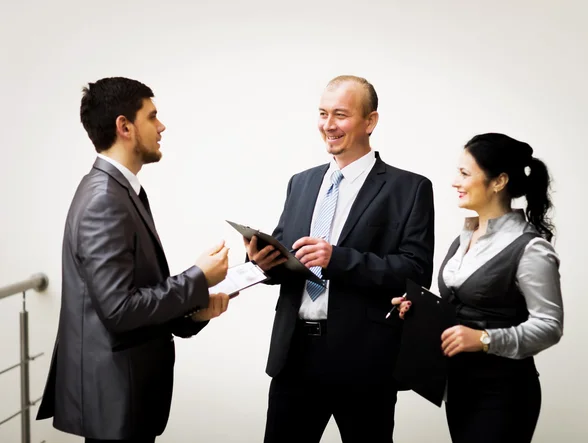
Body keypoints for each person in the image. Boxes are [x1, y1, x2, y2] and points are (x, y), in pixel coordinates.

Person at [36, 77, 231, 443]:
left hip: (124, 398)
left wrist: (194, 313)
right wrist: (198, 278)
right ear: (124, 127)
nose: (162, 127)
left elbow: (135, 296)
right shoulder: (104, 199)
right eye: (152, 117)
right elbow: (120, 310)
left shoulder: (120, 190)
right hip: (115, 400)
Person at [244, 75, 435, 443]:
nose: (328, 125)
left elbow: (415, 271)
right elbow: (288, 255)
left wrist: (338, 259)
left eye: (341, 115)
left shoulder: (409, 188)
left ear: (370, 121)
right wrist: (262, 261)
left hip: (365, 360)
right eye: (322, 113)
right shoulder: (301, 182)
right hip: (294, 355)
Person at [394, 133, 564, 443]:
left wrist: (485, 339)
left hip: (504, 391)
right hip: (457, 387)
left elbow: (550, 326)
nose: (454, 182)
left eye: (464, 173)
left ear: (498, 181)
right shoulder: (463, 240)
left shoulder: (531, 249)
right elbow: (458, 307)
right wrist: (415, 309)